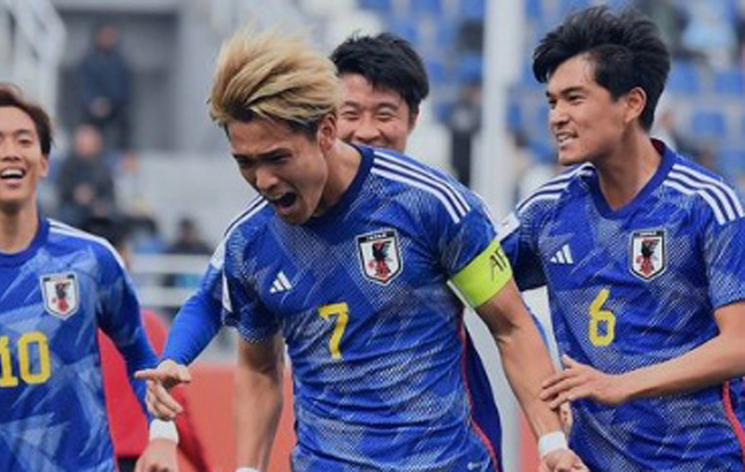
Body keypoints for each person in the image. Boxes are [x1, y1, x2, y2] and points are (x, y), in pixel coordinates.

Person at [138, 29, 585, 472]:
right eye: (246, 163)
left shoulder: (431, 204)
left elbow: (510, 325)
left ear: (326, 131)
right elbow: (253, 361)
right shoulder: (252, 242)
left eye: (277, 158)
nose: (263, 180)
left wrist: (550, 443)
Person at [500, 6, 745, 470]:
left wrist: (622, 384)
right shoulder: (545, 211)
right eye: (552, 102)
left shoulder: (707, 205)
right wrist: (551, 439)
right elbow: (478, 285)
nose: (556, 117)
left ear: (632, 104)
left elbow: (740, 344)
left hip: (707, 461)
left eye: (574, 98)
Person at [0, 85, 177, 472]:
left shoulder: (91, 259)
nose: (11, 151)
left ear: (44, 161)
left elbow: (142, 356)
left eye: (24, 140)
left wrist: (163, 437)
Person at [330, 31, 503, 465]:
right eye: (352, 113)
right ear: (328, 117)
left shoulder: (441, 209)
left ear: (413, 118)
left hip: (440, 454)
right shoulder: (293, 212)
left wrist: (549, 439)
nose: (367, 131)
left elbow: (513, 323)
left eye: (384, 113)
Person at [81, 218, 211, 472]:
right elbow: (173, 406)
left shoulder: (63, 332)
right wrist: (205, 466)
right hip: (141, 460)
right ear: (125, 257)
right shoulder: (147, 326)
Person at [78, 23, 132, 150]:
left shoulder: (120, 61)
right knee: (87, 124)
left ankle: (124, 153)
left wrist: (110, 103)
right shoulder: (88, 60)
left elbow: (124, 87)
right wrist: (95, 102)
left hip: (116, 105)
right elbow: (85, 85)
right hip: (92, 106)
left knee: (124, 122)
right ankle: (89, 151)